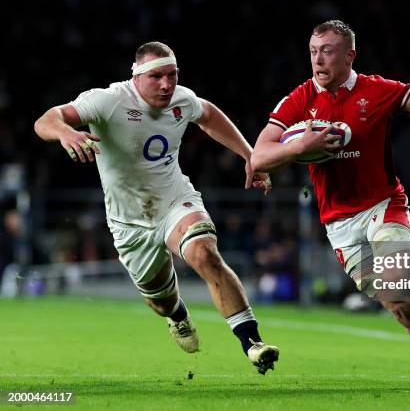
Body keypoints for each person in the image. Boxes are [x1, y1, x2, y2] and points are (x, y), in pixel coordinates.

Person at [251, 20, 410, 388]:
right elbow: (258, 157)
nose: (318, 59)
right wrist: (297, 148)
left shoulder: (377, 91)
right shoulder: (298, 100)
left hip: (383, 205)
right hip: (339, 224)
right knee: (403, 307)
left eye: (327, 50)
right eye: (313, 51)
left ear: (349, 55)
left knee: (397, 277)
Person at [34, 42, 279, 375]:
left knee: (205, 253)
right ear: (136, 77)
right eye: (156, 77)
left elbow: (208, 115)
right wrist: (64, 132)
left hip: (174, 200)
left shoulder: (181, 100)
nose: (166, 84)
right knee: (160, 301)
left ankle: (253, 343)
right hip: (129, 221)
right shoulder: (108, 100)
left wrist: (251, 155)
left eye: (172, 75)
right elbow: (47, 119)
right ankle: (177, 315)